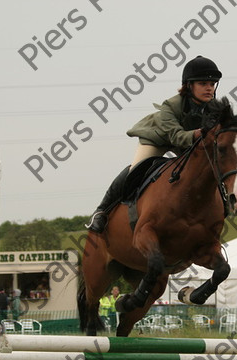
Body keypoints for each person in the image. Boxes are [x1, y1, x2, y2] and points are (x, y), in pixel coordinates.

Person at [86, 55, 223, 233]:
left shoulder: (215, 108)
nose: (209, 88)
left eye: (212, 84)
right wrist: (200, 132)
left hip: (187, 141)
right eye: (203, 84)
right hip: (157, 138)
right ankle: (101, 211)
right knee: (134, 170)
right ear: (189, 85)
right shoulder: (170, 106)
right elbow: (176, 137)